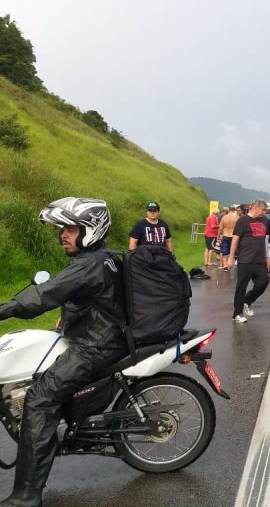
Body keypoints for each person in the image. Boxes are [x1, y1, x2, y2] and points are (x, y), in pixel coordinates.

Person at [0, 198, 128, 507]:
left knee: (40, 398)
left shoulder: (89, 264)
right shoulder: (101, 257)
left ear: (91, 230)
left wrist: (4, 309)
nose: (63, 235)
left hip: (96, 347)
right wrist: (69, 317)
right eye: (62, 229)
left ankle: (26, 496)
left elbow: (44, 294)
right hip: (102, 336)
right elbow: (93, 299)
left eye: (70, 228)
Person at [227, 199, 269, 323]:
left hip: (260, 260)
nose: (264, 212)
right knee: (241, 287)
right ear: (255, 208)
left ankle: (247, 301)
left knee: (263, 282)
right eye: (263, 210)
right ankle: (237, 314)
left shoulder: (264, 220)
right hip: (245, 260)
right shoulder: (243, 220)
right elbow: (235, 239)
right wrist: (230, 257)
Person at [218, 206, 238, 271]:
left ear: (228, 210)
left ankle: (225, 266)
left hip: (226, 235)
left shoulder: (224, 217)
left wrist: (218, 235)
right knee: (234, 250)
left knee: (225, 251)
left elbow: (220, 228)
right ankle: (233, 263)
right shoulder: (237, 217)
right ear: (234, 210)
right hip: (234, 236)